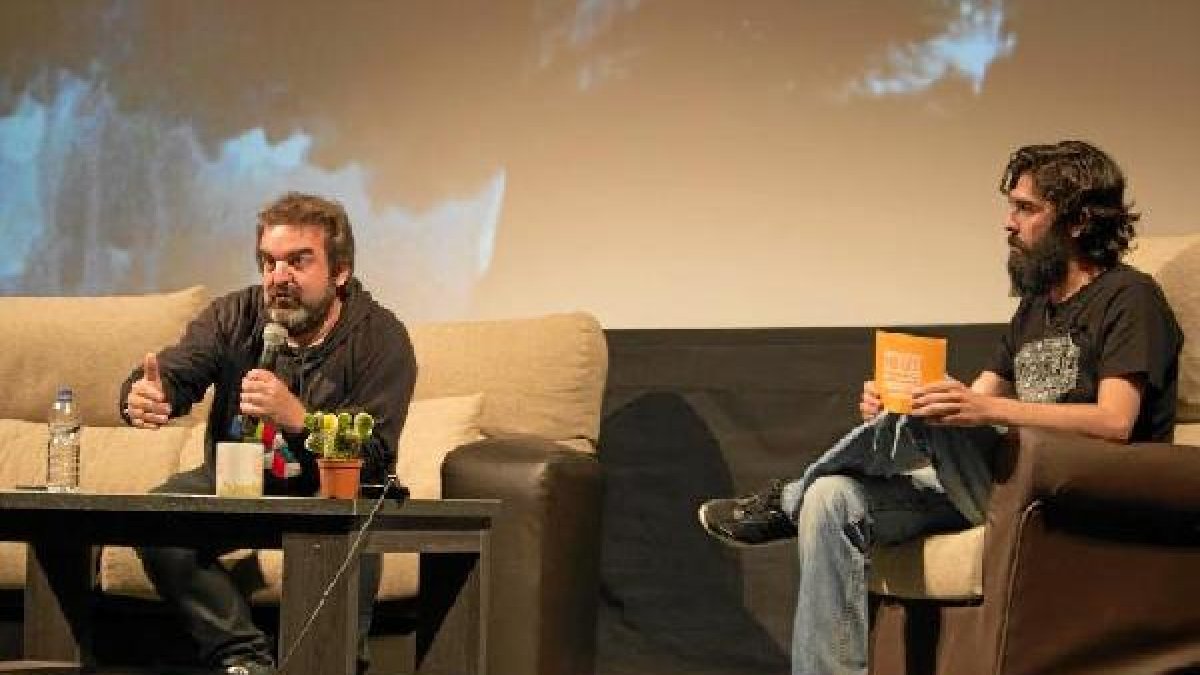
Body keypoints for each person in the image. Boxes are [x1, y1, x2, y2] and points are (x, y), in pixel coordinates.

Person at [698, 140, 1183, 674]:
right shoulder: (1035, 310)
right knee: (833, 499)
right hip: (1001, 484)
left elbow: (1116, 422)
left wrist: (976, 409)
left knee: (932, 415)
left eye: (1025, 208)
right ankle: (806, 509)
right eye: (1011, 206)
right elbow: (976, 396)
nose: (1008, 223)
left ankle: (785, 501)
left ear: (1076, 220)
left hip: (1072, 489)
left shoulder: (1128, 297)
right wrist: (903, 402)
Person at [121, 192, 417, 675]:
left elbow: (377, 453)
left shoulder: (380, 337)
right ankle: (242, 658)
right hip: (237, 483)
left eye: (298, 262)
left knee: (352, 526)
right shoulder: (234, 316)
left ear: (340, 271)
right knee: (156, 516)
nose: (279, 277)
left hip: (329, 497)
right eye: (269, 262)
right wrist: (148, 394)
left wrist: (298, 417)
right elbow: (176, 372)